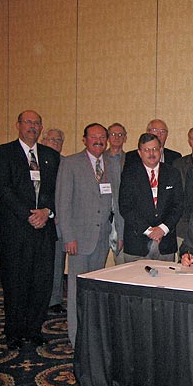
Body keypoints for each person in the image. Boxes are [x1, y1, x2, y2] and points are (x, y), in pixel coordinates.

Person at [0, 110, 60, 350]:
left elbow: (55, 191)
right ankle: (13, 331)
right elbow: (4, 189)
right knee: (15, 283)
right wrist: (30, 215)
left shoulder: (51, 156)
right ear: (18, 125)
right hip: (15, 230)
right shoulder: (2, 152)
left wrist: (47, 211)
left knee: (41, 284)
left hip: (44, 230)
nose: (33, 126)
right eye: (28, 122)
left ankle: (33, 329)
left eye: (36, 123)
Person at [56, 123, 123, 347]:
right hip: (79, 239)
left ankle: (92, 336)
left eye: (102, 137)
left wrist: (119, 233)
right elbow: (62, 203)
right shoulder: (70, 163)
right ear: (84, 139)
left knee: (94, 290)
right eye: (93, 136)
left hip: (102, 239)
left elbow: (117, 204)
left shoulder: (111, 165)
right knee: (76, 290)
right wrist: (68, 237)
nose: (98, 140)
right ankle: (76, 338)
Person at [119, 133, 184, 262]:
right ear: (139, 153)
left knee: (165, 281)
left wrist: (162, 229)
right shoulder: (129, 174)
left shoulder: (173, 173)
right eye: (146, 150)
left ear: (160, 150)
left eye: (154, 149)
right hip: (137, 242)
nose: (151, 153)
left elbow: (178, 205)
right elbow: (125, 207)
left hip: (165, 242)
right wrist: (149, 231)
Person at [41, 128, 67, 314]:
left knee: (57, 261)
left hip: (59, 221)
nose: (55, 143)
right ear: (43, 140)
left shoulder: (66, 163)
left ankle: (54, 299)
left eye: (59, 140)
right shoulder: (34, 162)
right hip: (38, 219)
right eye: (52, 140)